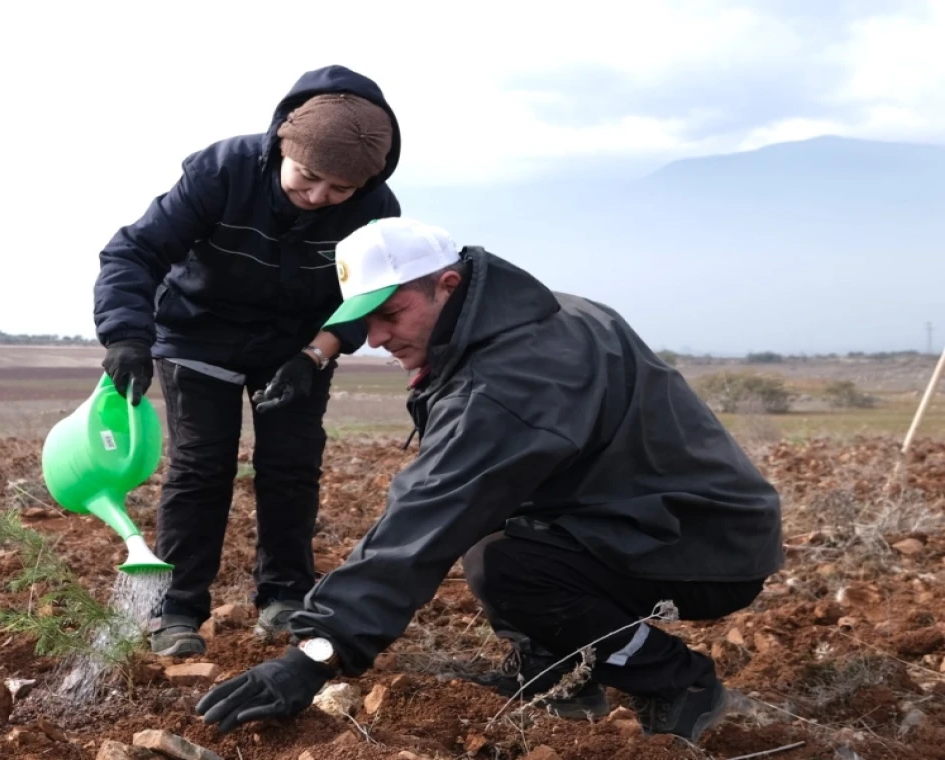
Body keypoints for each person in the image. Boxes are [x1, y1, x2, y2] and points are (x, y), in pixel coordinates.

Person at [194, 217, 784, 743]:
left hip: (704, 541)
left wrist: (316, 653)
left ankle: (678, 680)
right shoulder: (525, 314)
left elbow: (429, 513)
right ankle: (558, 676)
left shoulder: (510, 376)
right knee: (502, 532)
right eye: (364, 321)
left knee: (506, 565)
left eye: (391, 314)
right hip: (659, 514)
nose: (375, 339)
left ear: (445, 285)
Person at [92, 65, 402, 657]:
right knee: (202, 467)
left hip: (296, 344)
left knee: (290, 464)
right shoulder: (221, 172)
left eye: (338, 191)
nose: (317, 199)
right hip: (197, 332)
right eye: (307, 179)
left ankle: (285, 599)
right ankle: (176, 611)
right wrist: (126, 335)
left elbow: (368, 295)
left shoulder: (376, 208)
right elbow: (134, 251)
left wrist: (314, 356)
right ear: (282, 141)